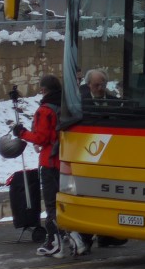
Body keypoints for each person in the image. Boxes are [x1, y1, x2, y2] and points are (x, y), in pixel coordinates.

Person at [13, 74, 89, 256]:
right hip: (66, 161)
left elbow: (41, 138)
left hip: (49, 162)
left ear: (44, 90)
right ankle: (76, 238)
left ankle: (56, 243)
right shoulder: (68, 107)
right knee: (64, 203)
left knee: (51, 204)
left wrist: (21, 132)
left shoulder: (44, 111)